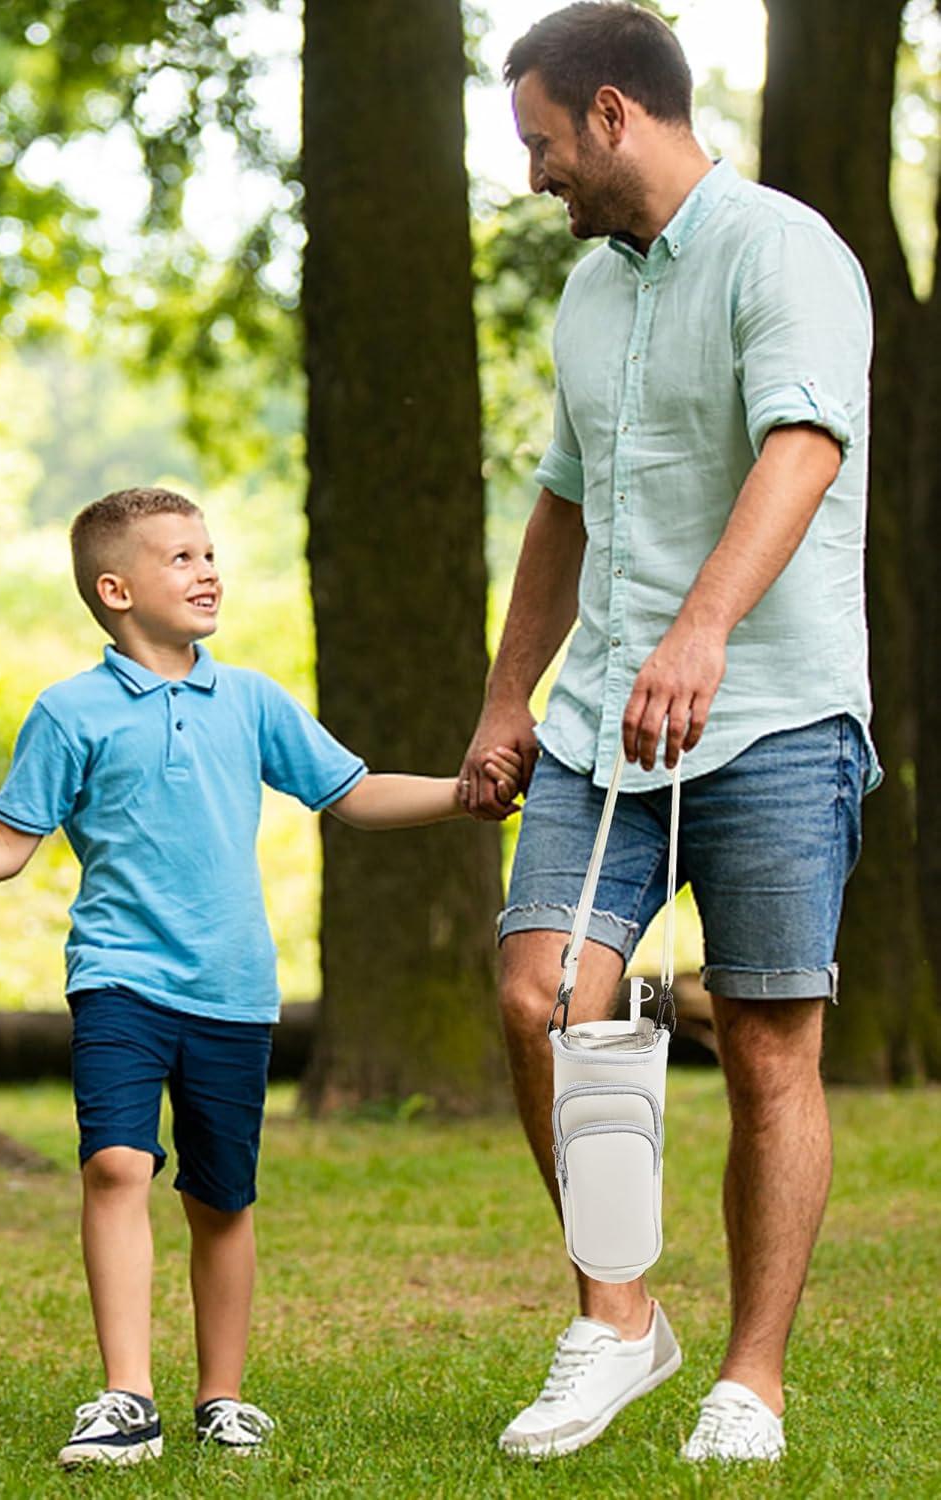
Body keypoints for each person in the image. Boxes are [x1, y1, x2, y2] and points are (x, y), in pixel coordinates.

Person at [457, 1, 875, 1466]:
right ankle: (621, 1319)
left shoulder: (784, 251)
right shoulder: (589, 298)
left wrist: (702, 629)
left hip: (772, 714)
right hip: (598, 729)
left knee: (766, 1045)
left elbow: (805, 448)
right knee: (538, 997)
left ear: (615, 113)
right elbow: (563, 506)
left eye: (542, 143)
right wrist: (512, 697)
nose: (534, 177)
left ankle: (748, 1382)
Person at [0, 487, 521, 1467]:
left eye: (209, 553)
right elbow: (2, 844)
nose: (207, 570)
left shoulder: (253, 701)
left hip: (233, 993)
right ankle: (126, 1398)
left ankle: (221, 1398)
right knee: (116, 1162)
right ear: (116, 589)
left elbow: (352, 794)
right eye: (180, 557)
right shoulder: (70, 713)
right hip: (117, 981)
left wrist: (461, 795)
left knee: (221, 1199)